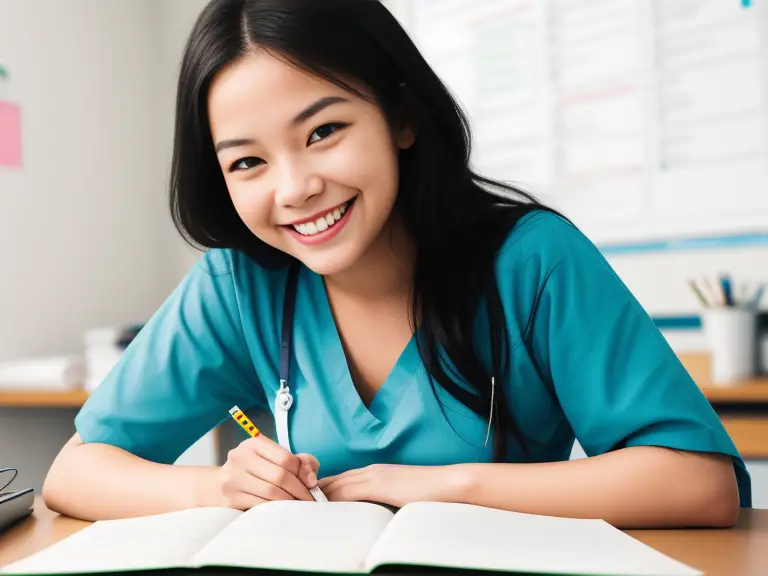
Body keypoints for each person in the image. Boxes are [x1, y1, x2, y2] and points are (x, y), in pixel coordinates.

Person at [43, 0, 749, 527]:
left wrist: (444, 487)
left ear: (402, 118)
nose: (294, 189)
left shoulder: (532, 261)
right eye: (248, 161)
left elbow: (700, 485)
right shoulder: (241, 285)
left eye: (324, 131)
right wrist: (221, 490)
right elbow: (76, 473)